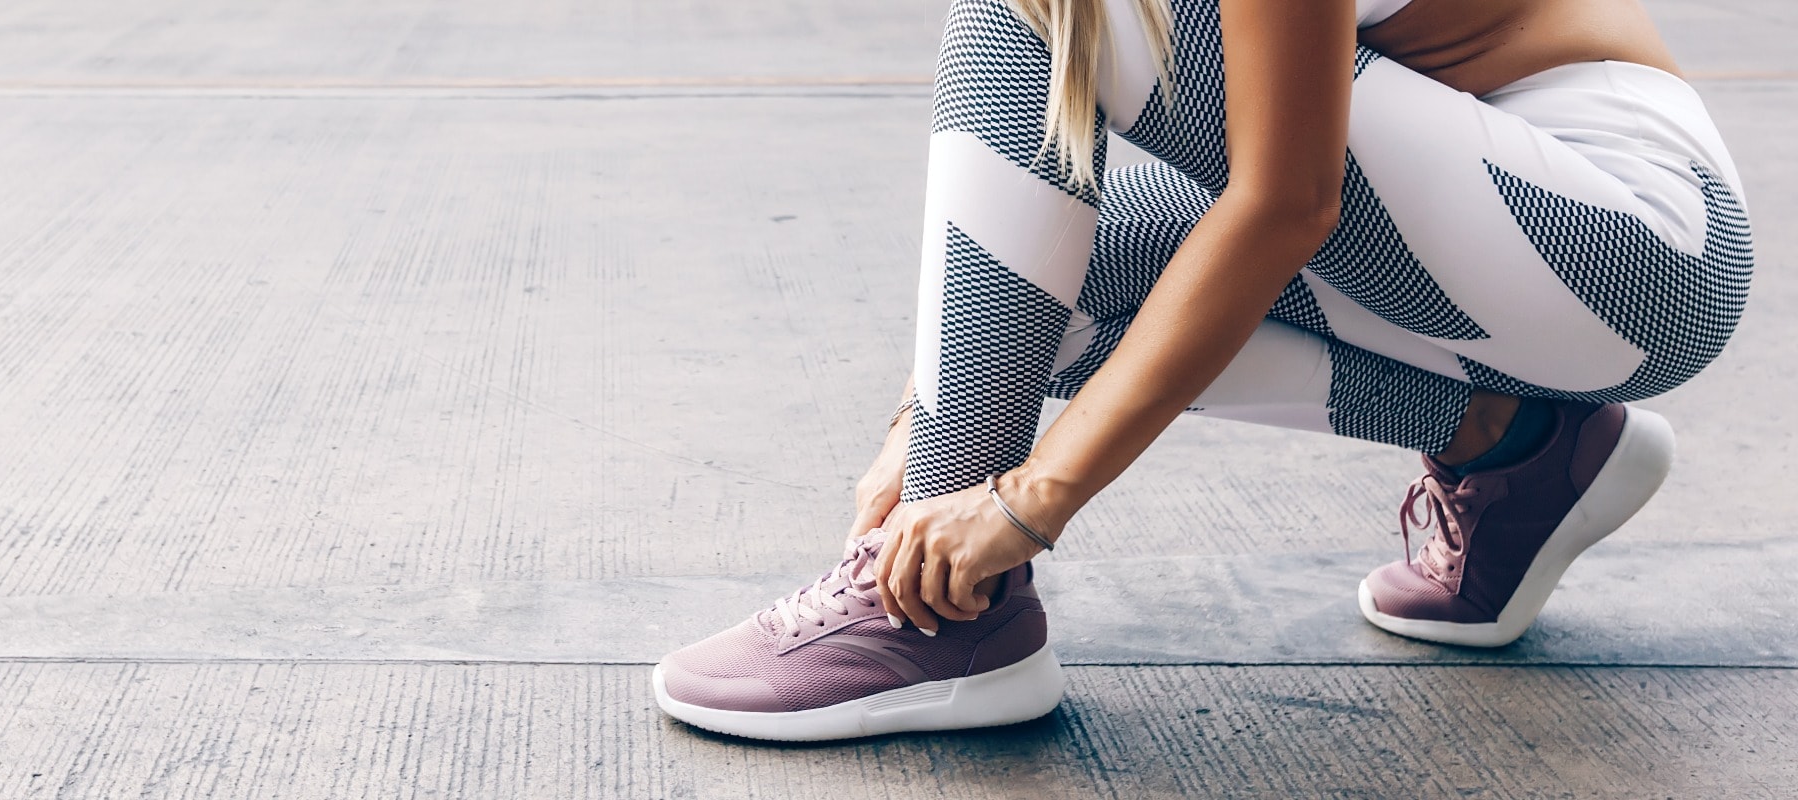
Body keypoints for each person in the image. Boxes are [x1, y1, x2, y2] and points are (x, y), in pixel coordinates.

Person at [653, 0, 1753, 741]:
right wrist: (925, 418)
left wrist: (1025, 504)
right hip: (1535, 254)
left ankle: (945, 616)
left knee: (1031, 3)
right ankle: (1521, 446)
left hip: (1634, 241)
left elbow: (1286, 201)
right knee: (1053, 294)